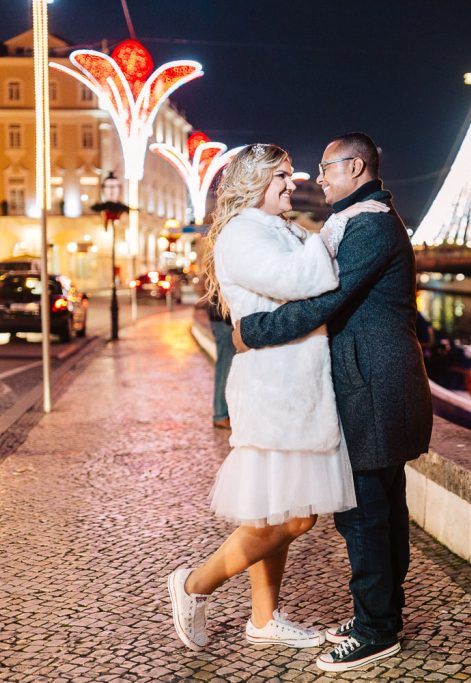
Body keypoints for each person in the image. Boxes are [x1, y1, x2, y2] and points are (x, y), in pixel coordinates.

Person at [166, 143, 388, 653]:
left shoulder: (279, 228)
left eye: (292, 176)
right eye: (283, 178)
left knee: (273, 511)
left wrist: (316, 233)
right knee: (295, 516)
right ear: (254, 182)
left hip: (293, 384)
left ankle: (263, 619)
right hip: (276, 387)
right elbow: (306, 279)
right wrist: (336, 228)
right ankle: (194, 584)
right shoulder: (244, 234)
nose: (294, 185)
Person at [234, 132, 433, 672]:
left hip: (373, 385)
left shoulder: (367, 224)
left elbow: (328, 299)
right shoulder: (362, 219)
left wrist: (253, 331)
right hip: (376, 381)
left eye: (325, 167)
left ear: (356, 166)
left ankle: (376, 630)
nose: (316, 178)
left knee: (365, 513)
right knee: (382, 508)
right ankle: (381, 612)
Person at [207, 293, 234, 430]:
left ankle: (222, 414)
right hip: (224, 320)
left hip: (223, 318)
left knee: (225, 366)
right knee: (225, 367)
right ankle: (221, 415)